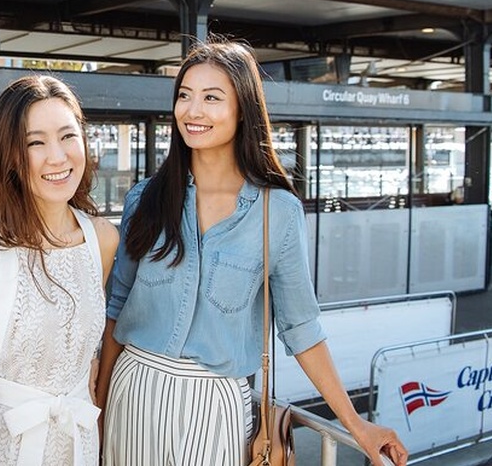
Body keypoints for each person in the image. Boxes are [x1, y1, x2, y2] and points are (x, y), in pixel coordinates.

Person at [96, 40, 408, 466]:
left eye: (211, 98)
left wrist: (357, 423)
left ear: (243, 108)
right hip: (133, 389)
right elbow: (116, 310)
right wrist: (97, 409)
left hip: (216, 402)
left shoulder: (276, 212)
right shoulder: (145, 198)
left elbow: (301, 328)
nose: (192, 111)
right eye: (184, 96)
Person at [0, 75, 119, 466]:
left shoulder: (103, 239)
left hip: (77, 449)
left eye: (67, 136)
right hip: (2, 451)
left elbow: (88, 365)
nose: (58, 157)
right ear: (10, 155)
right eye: (35, 142)